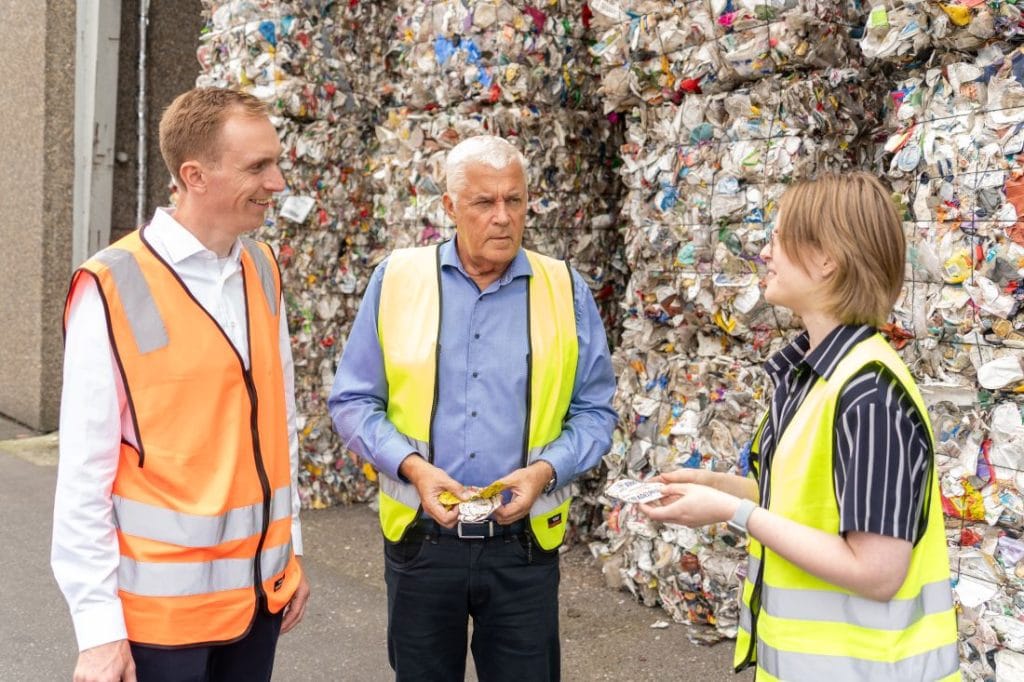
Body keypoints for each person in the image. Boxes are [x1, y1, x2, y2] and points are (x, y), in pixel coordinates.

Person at [640, 172, 959, 681]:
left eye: (777, 237)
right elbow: (815, 505)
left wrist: (734, 510)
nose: (765, 253)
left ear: (826, 258)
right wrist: (714, 488)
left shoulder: (868, 394)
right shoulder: (813, 376)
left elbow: (877, 572)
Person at [328, 134, 617, 681]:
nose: (503, 217)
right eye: (485, 203)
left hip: (524, 544)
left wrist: (544, 471)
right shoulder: (397, 280)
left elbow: (595, 411)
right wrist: (413, 468)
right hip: (421, 539)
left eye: (515, 200)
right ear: (449, 207)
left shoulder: (564, 287)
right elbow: (353, 401)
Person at [52, 87, 310, 682]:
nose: (276, 183)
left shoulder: (262, 269)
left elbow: (277, 424)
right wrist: (97, 632)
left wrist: (288, 552)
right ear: (194, 175)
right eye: (257, 167)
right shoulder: (112, 287)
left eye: (276, 162)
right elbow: (84, 476)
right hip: (159, 626)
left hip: (256, 602)